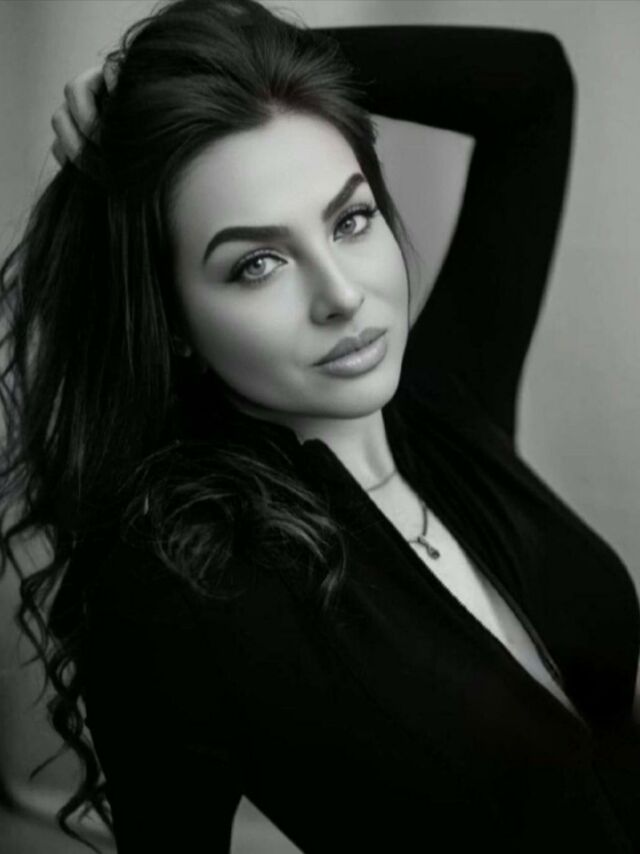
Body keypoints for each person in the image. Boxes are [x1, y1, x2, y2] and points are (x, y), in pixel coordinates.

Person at [2, 0, 640, 850]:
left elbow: (534, 87)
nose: (342, 294)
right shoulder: (181, 583)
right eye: (258, 264)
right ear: (174, 321)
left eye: (350, 220)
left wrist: (259, 60)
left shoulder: (446, 399)